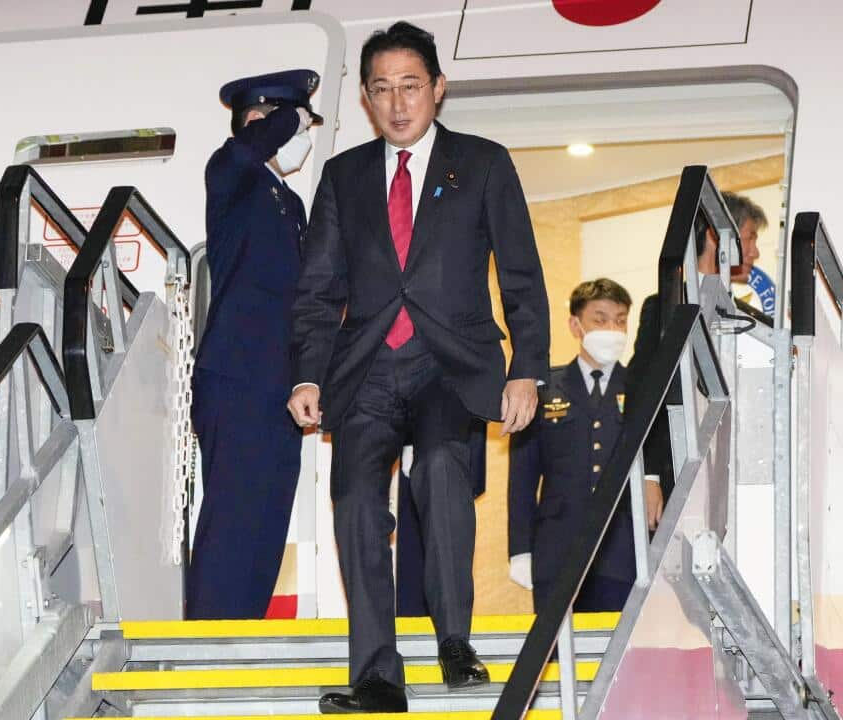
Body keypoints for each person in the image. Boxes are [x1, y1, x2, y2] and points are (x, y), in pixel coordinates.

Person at [286, 22, 550, 712]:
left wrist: (526, 368)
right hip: (366, 367)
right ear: (368, 100)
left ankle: (453, 636)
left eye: (411, 86)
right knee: (354, 505)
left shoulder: (484, 163)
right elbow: (318, 289)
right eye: (382, 90)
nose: (398, 103)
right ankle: (377, 676)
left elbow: (521, 276)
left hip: (450, 364)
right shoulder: (343, 177)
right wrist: (308, 374)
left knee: (439, 472)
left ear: (438, 88)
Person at [188, 69, 322, 620]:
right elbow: (245, 153)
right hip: (237, 375)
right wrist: (289, 118)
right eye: (283, 123)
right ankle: (203, 654)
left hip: (279, 387)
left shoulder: (290, 204)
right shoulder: (230, 175)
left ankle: (237, 640)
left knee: (266, 523)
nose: (298, 136)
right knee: (232, 522)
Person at [508, 279, 663, 613]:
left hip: (623, 551)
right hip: (557, 549)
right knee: (557, 655)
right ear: (575, 325)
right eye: (600, 318)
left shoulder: (641, 386)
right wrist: (520, 548)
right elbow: (522, 477)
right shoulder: (545, 388)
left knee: (618, 656)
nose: (612, 328)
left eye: (620, 319)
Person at [626, 191, 768, 500]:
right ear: (717, 236)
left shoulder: (753, 322)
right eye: (749, 239)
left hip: (742, 476)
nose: (755, 253)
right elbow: (644, 391)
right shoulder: (667, 306)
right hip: (676, 473)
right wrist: (649, 476)